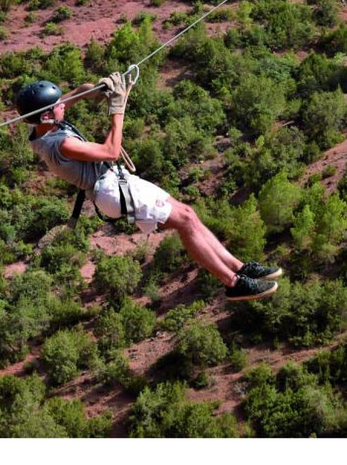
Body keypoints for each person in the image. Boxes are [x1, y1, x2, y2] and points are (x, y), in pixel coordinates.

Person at [15, 73, 282, 301]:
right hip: (110, 190)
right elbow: (111, 150)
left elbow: (76, 94)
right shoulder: (60, 144)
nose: (64, 106)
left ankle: (241, 267)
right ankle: (234, 283)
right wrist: (117, 109)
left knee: (188, 214)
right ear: (47, 114)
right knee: (185, 223)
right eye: (58, 105)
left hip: (115, 182)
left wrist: (100, 87)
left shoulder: (44, 126)